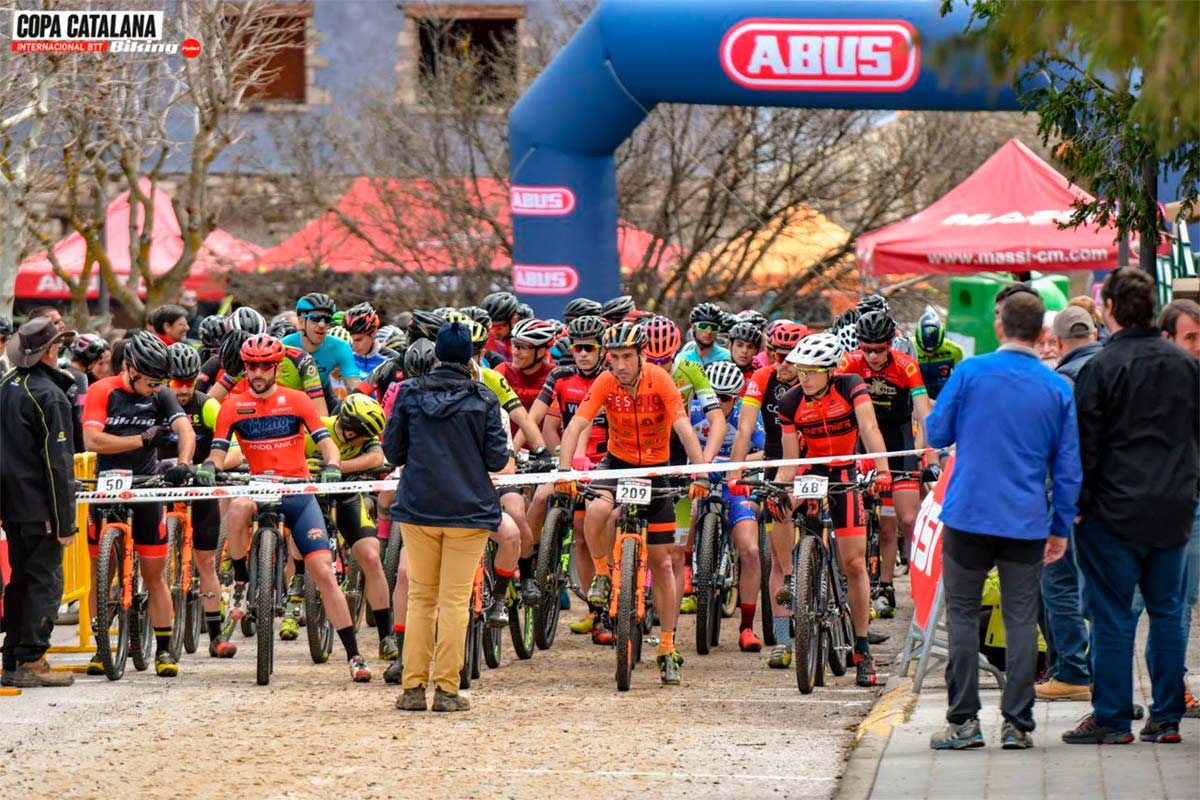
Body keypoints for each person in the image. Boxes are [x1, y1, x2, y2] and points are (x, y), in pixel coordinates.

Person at [926, 289, 1080, 751]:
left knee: (963, 616)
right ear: (1043, 335)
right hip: (1026, 519)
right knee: (1019, 618)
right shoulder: (1057, 386)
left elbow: (936, 430)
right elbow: (1069, 465)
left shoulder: (971, 372)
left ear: (999, 327)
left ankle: (964, 722)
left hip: (969, 514)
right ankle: (1017, 724)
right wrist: (1061, 527)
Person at [1065, 268, 1200, 745]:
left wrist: (1075, 506)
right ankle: (1166, 717)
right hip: (1173, 510)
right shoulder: (1185, 366)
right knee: (1167, 612)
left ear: (1111, 311)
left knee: (1113, 616)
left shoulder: (1100, 368)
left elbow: (1085, 445)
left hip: (1112, 513)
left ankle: (1113, 716)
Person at [202, 333, 371, 683]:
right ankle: (242, 582)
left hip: (297, 489)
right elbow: (219, 452)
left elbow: (327, 442)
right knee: (237, 509)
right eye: (251, 366)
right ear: (245, 368)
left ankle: (354, 654)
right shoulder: (233, 405)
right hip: (257, 486)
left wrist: (332, 465)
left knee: (324, 573)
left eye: (265, 365)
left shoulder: (296, 400)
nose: (258, 372)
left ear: (278, 367)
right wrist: (209, 466)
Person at [555, 321, 710, 686]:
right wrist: (564, 469)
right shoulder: (606, 381)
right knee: (594, 510)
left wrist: (700, 473)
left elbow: (685, 428)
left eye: (627, 356)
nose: (620, 364)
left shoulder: (660, 379)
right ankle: (604, 578)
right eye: (615, 357)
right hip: (618, 462)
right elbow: (577, 424)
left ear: (641, 355)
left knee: (663, 562)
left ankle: (668, 647)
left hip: (657, 468)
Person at [383, 321, 512, 712]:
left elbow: (393, 451)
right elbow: (496, 458)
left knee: (421, 597)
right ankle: (447, 690)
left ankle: (412, 688)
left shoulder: (408, 393)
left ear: (437, 353)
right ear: (472, 357)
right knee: (455, 601)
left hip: (419, 506)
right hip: (468, 510)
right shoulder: (484, 398)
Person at [772, 332, 893, 687]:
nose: (803, 378)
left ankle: (861, 648)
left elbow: (869, 429)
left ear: (829, 371)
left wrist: (882, 468)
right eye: (800, 371)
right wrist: (779, 488)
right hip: (811, 471)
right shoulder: (791, 402)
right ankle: (793, 577)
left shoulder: (851, 385)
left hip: (844, 472)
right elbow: (790, 460)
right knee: (777, 505)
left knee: (853, 563)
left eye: (811, 372)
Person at [82, 331, 196, 677]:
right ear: (131, 369)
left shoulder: (161, 394)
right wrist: (140, 439)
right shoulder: (103, 390)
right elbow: (92, 439)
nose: (156, 387)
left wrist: (183, 462)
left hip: (147, 488)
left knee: (155, 575)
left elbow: (185, 430)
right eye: (150, 381)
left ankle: (163, 650)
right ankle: (103, 647)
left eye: (160, 382)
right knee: (101, 576)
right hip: (108, 487)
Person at [0, 317, 79, 687]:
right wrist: (65, 522)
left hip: (13, 505)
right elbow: (58, 463)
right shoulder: (49, 394)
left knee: (21, 581)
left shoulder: (6, 385)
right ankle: (31, 659)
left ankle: (14, 657)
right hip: (39, 504)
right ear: (50, 350)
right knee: (45, 583)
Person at [1034, 305, 1102, 702]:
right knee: (1100, 586)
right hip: (1114, 496)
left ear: (1059, 342)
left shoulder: (1063, 381)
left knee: (1058, 582)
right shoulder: (1114, 368)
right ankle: (1095, 672)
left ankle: (1072, 671)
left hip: (1066, 495)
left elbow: (1051, 444)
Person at [158, 343, 236, 658]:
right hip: (160, 487)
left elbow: (236, 449)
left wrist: (210, 465)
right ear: (165, 380)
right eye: (177, 381)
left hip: (201, 487)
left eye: (190, 380)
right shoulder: (155, 404)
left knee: (205, 563)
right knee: (152, 564)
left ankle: (216, 636)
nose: (185, 388)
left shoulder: (207, 405)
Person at [1158, 298, 1200, 716]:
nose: (1199, 346)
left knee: (1181, 602)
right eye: (1191, 337)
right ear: (1167, 337)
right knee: (1140, 606)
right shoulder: (1152, 380)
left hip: (1191, 504)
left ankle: (1174, 689)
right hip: (1150, 508)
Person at [281, 292, 361, 402]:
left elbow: (355, 388)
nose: (322, 325)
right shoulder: (285, 345)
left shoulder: (340, 347)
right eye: (316, 318)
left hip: (323, 397)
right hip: (291, 399)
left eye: (327, 319)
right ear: (301, 321)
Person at [915, 310, 963, 402]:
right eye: (924, 349)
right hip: (917, 398)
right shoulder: (908, 347)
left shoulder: (955, 350)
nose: (930, 353)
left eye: (935, 349)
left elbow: (959, 379)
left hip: (942, 398)